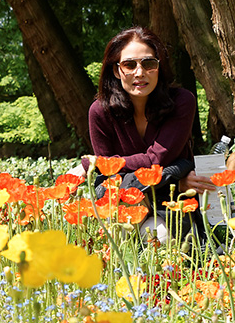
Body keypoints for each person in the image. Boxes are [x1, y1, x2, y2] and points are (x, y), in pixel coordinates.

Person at [74, 26, 217, 240]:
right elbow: (108, 176)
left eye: (149, 63)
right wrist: (174, 180)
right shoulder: (100, 112)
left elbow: (156, 159)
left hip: (172, 203)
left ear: (159, 67)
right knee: (119, 239)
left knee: (160, 238)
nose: (139, 73)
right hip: (125, 201)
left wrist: (92, 164)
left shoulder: (182, 102)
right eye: (129, 65)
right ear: (116, 70)